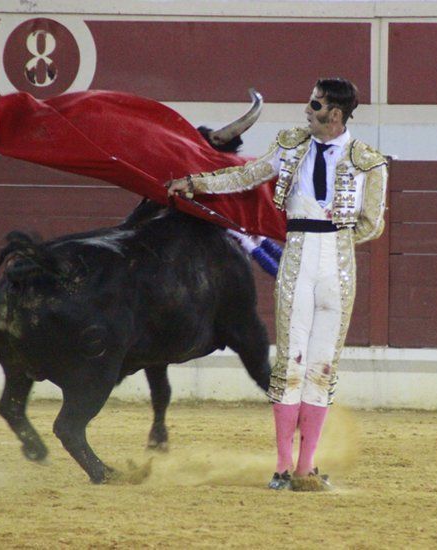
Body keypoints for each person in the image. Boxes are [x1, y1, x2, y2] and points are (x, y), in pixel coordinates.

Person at [166, 78, 388, 491]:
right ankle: (283, 467)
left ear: (335, 114)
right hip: (300, 257)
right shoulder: (291, 144)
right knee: (290, 366)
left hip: (336, 266)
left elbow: (373, 223)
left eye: (315, 104)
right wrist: (196, 183)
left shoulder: (369, 161)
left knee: (322, 369)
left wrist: (333, 238)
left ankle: (307, 468)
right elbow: (246, 175)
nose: (307, 110)